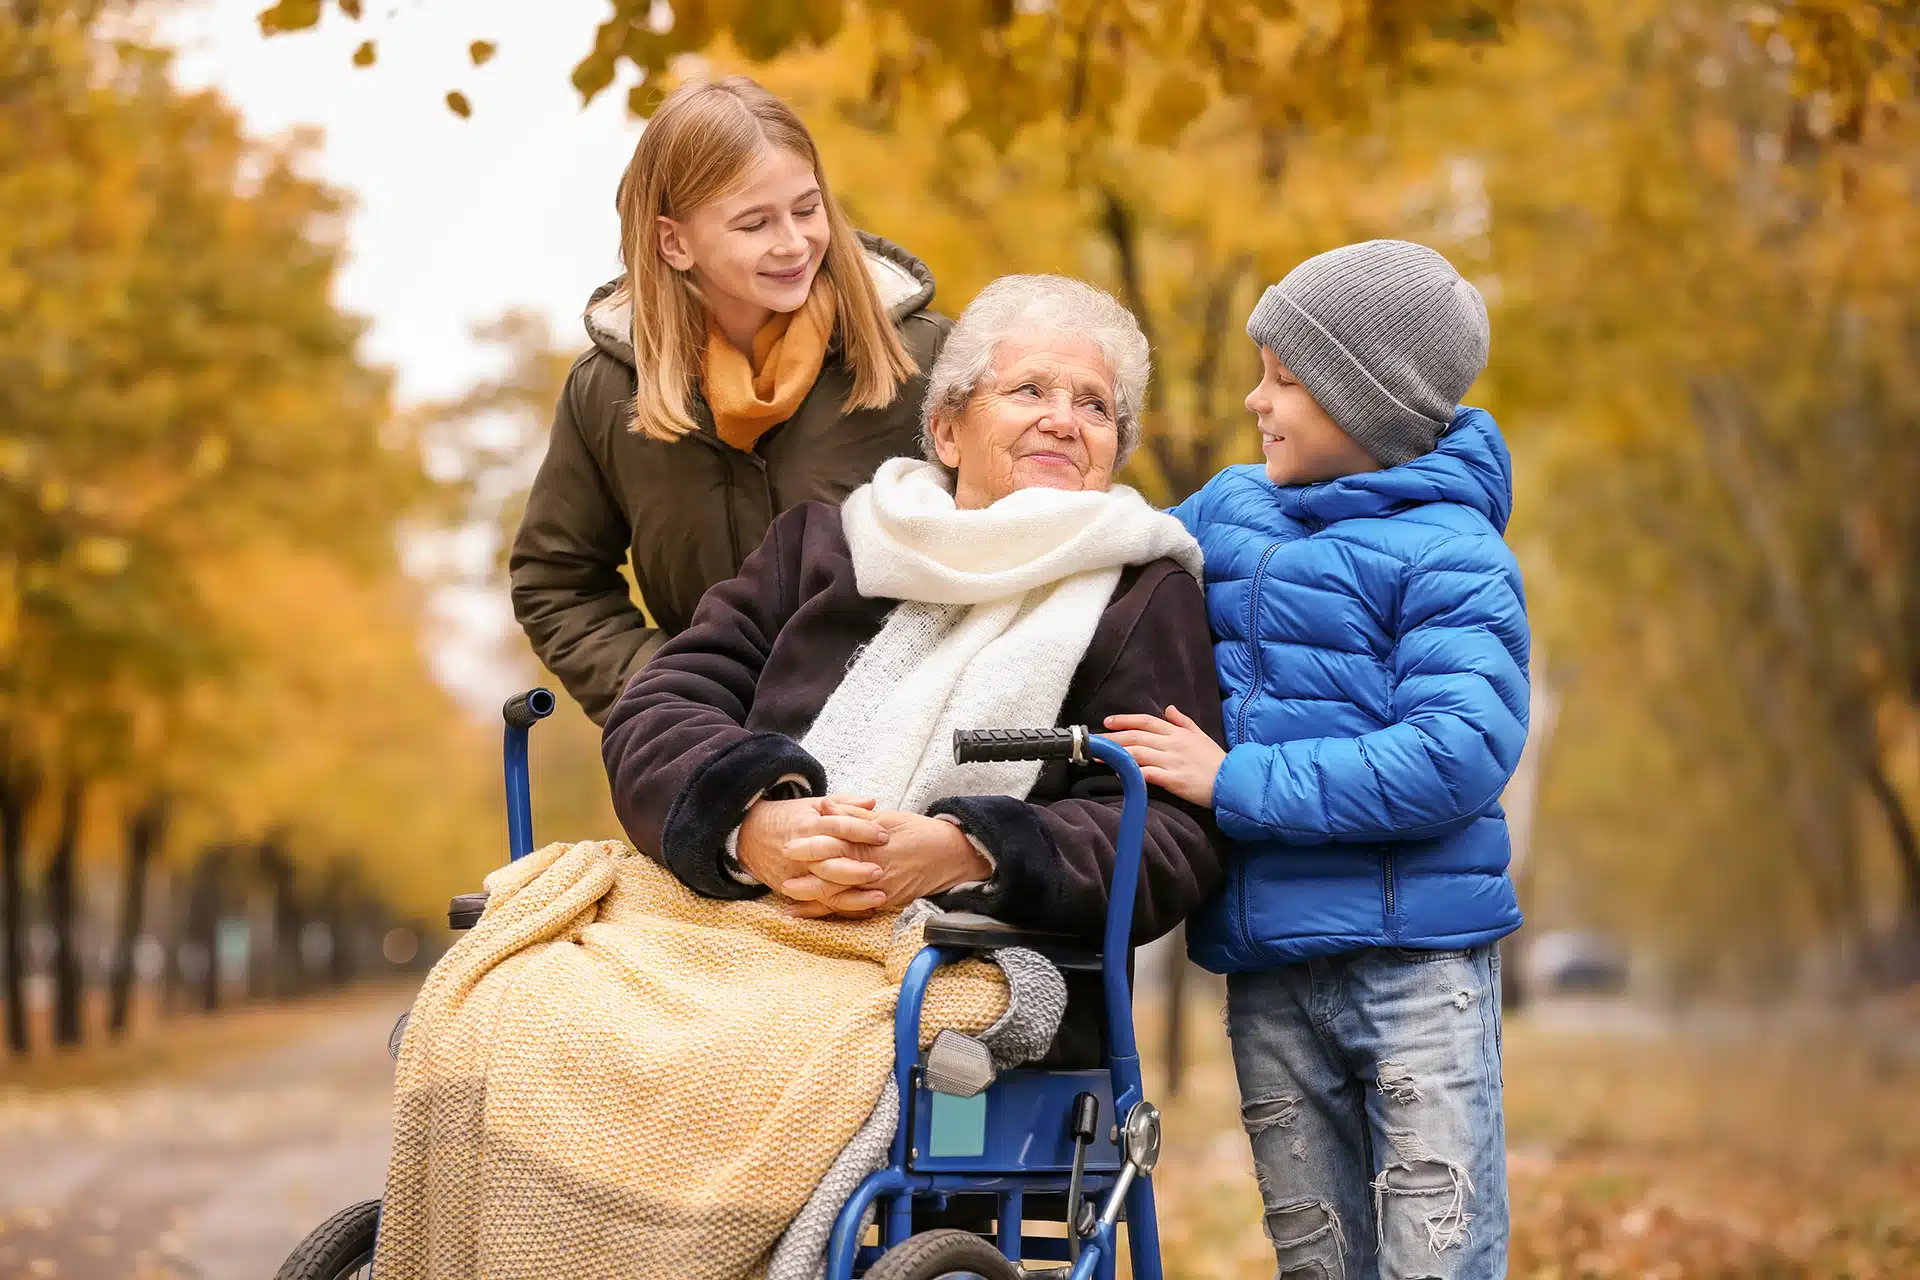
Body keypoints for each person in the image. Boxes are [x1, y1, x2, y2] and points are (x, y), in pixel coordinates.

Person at [601, 274, 1226, 1055]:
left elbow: (1171, 833)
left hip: (971, 971)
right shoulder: (822, 547)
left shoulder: (1142, 591)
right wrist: (753, 826)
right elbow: (658, 711)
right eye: (1030, 389)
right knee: (518, 1016)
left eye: (1095, 405)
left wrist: (966, 851)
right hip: (737, 925)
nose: (1063, 421)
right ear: (947, 432)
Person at [1105, 240, 1529, 1279]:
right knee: (1317, 1256)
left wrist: (1232, 781)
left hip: (1415, 967)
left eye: (1284, 381)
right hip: (1272, 973)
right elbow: (1106, 568)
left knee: (1432, 1253)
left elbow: (1456, 751)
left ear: (1367, 405)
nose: (1256, 401)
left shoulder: (1452, 553)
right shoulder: (1225, 511)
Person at [510, 75, 949, 724]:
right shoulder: (606, 392)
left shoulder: (927, 358)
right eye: (754, 224)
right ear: (675, 242)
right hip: (721, 772)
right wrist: (672, 702)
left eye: (806, 209)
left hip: (919, 748)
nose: (794, 243)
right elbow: (558, 581)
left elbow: (1023, 534)